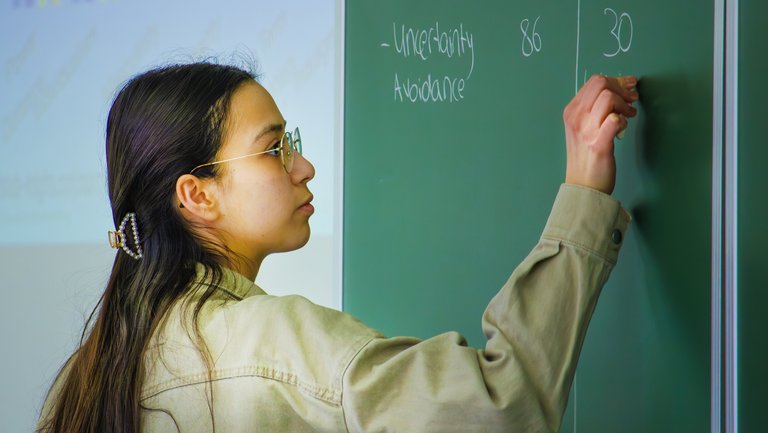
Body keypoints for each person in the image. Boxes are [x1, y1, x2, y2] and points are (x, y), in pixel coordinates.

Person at [36, 62, 638, 433]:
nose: (305, 166)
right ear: (197, 195)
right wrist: (583, 193)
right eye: (274, 149)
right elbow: (503, 409)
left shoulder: (80, 383)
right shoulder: (273, 342)